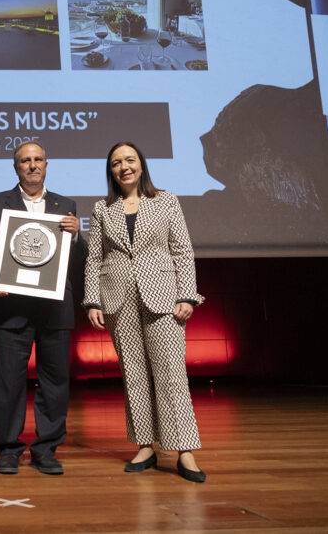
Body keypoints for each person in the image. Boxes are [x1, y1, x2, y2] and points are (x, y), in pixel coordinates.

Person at [82, 141, 206, 483]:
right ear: (110, 171)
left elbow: (182, 251)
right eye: (116, 163)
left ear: (141, 165)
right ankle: (145, 446)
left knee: (171, 375)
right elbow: (95, 258)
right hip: (118, 298)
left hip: (164, 297)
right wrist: (92, 300)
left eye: (130, 160)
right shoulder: (103, 208)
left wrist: (187, 295)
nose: (124, 167)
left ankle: (184, 451)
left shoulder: (166, 201)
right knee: (133, 375)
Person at [0, 141, 84, 475]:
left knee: (54, 382)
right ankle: (9, 449)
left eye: (37, 160)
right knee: (7, 383)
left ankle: (46, 449)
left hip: (54, 309)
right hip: (11, 309)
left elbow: (75, 260)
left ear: (46, 165)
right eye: (25, 160)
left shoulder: (66, 205)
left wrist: (78, 236)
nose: (32, 165)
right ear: (16, 167)